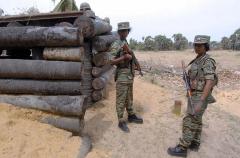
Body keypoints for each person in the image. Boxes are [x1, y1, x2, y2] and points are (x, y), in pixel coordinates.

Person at [168, 35, 218, 157]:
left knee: (189, 119)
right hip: (194, 93)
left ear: (205, 47)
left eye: (199, 45)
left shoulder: (207, 61)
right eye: (195, 45)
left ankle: (183, 147)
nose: (196, 47)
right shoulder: (197, 59)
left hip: (199, 96)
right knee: (197, 119)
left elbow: (210, 81)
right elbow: (196, 77)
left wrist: (201, 101)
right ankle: (195, 142)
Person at [109, 22, 143, 133]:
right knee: (121, 100)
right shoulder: (116, 44)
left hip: (129, 76)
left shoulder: (125, 42)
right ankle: (120, 121)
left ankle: (131, 115)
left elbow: (132, 57)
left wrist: (136, 66)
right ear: (119, 32)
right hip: (122, 76)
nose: (125, 32)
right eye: (122, 31)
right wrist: (123, 57)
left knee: (129, 98)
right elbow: (111, 61)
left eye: (126, 30)